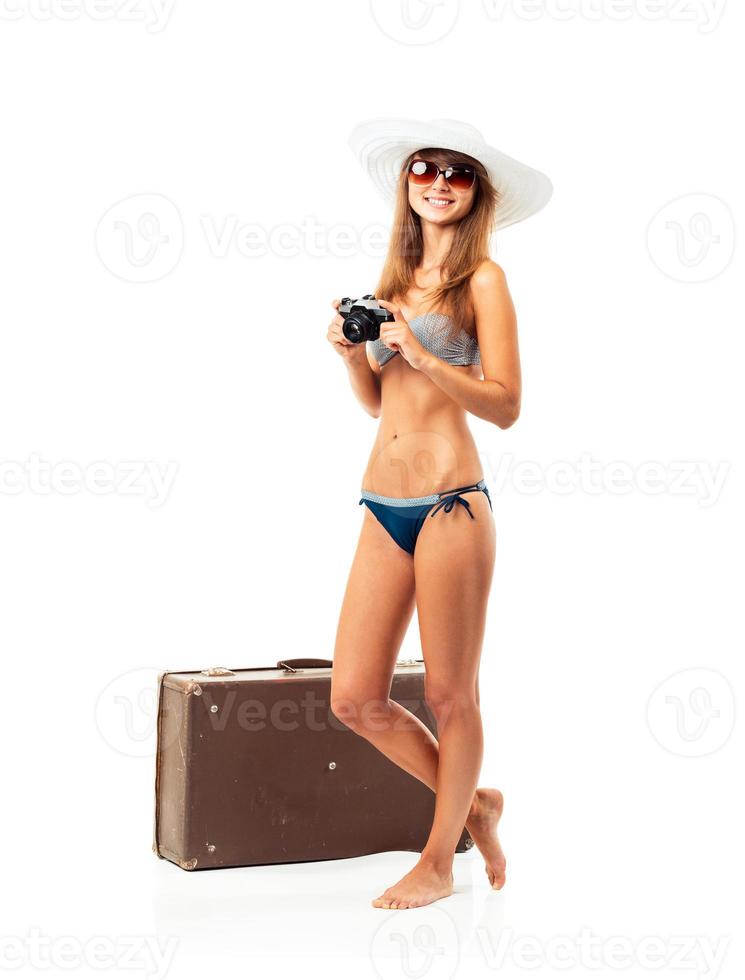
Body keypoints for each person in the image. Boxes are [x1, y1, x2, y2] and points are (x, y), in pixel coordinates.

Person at [326, 118, 552, 910]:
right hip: (380, 503)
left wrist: (422, 354)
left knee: (451, 696)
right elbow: (378, 405)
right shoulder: (390, 284)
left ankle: (437, 855)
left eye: (457, 173)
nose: (439, 181)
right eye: (425, 168)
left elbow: (507, 406)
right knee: (353, 698)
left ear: (476, 192)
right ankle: (476, 805)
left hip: (451, 505)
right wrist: (359, 359)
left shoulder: (482, 280)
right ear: (407, 184)